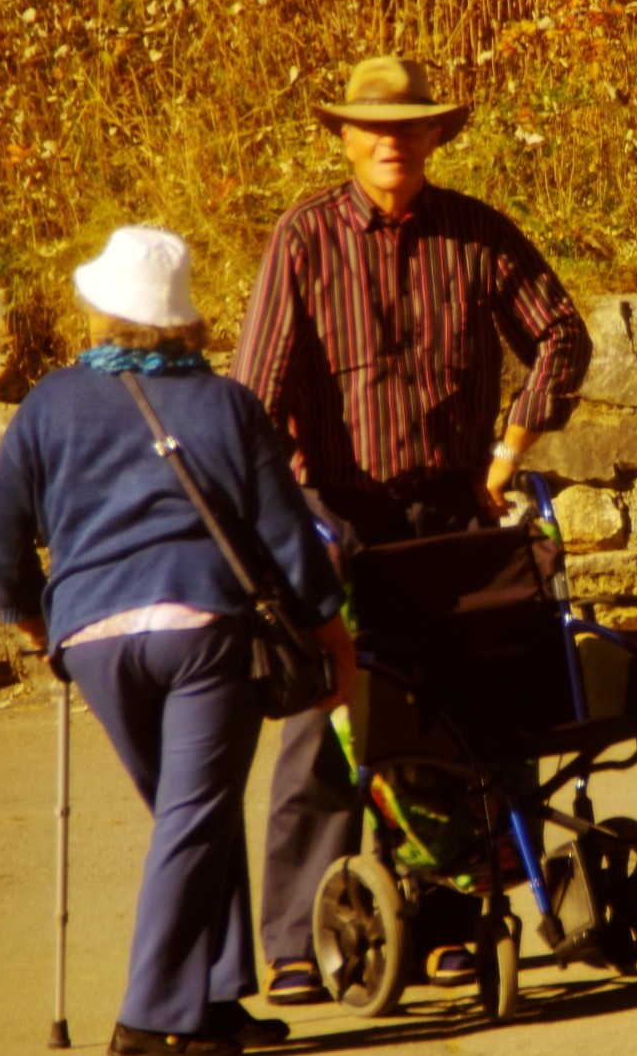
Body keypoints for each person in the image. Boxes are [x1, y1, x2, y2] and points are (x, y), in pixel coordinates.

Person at [232, 55, 590, 1000]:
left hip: (446, 517)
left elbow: (562, 333)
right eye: (372, 128)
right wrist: (281, 518)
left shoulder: (475, 234)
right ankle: (300, 941)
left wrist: (508, 453)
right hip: (338, 521)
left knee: (460, 717)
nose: (391, 142)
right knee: (328, 724)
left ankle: (448, 921)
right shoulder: (303, 239)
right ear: (344, 139)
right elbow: (257, 394)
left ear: (435, 137)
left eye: (410, 127)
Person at [0, 225, 357, 1056]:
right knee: (195, 815)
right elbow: (286, 534)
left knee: (192, 814)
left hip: (93, 639)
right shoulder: (226, 404)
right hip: (202, 631)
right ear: (184, 321)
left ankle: (213, 995)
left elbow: (0, 527)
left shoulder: (51, 402)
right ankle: (149, 1020)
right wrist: (332, 629)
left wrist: (33, 619)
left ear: (102, 309)